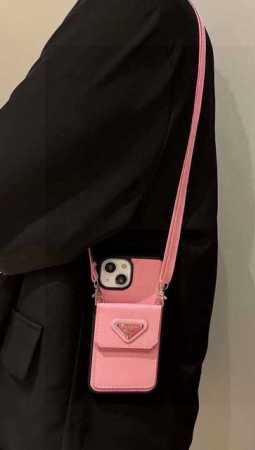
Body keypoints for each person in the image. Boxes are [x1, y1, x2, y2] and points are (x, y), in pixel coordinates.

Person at [0, 0, 218, 449]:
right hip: (101, 392)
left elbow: (15, 175)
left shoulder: (132, 13)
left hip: (75, 393)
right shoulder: (158, 17)